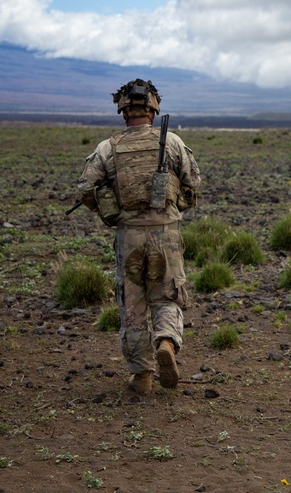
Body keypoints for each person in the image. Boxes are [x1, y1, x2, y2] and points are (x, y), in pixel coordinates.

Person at [77, 79, 201, 395]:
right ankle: (167, 343)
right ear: (153, 109)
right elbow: (194, 180)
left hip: (129, 237)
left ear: (122, 112)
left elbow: (85, 187)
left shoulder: (108, 148)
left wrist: (109, 209)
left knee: (132, 307)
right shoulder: (171, 142)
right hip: (166, 236)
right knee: (167, 296)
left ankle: (142, 376)